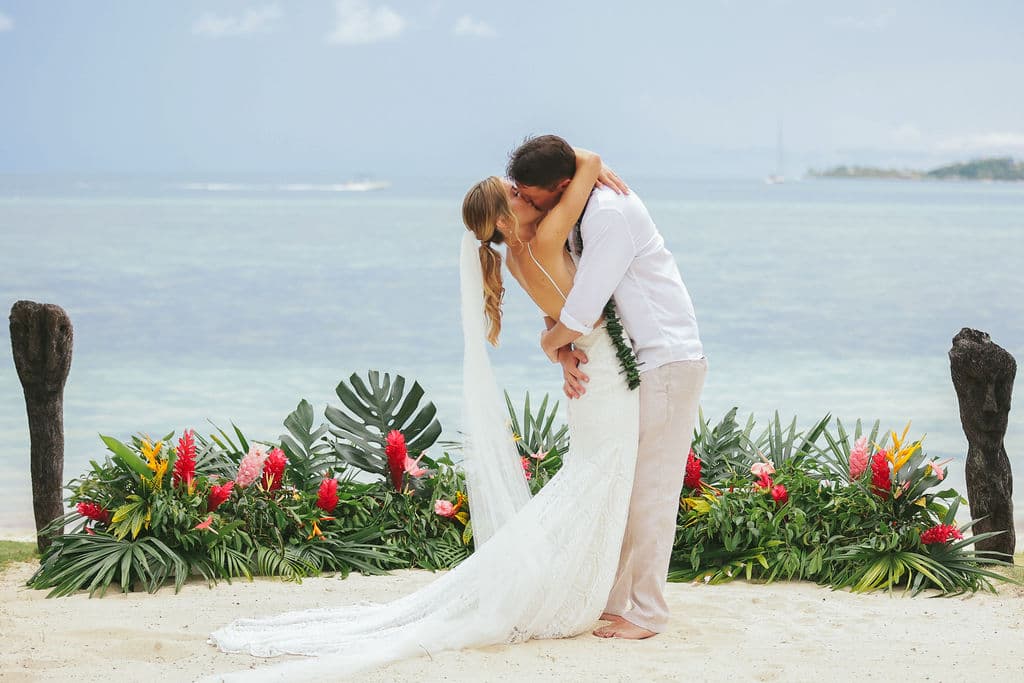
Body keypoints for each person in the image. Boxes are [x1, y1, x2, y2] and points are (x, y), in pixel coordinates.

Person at [205, 148, 642, 681]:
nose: (522, 191)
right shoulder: (547, 236)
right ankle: (572, 587)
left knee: (594, 472)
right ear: (506, 217)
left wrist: (558, 349)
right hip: (606, 374)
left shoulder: (514, 256)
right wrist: (587, 169)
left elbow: (557, 314)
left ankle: (581, 582)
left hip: (591, 370)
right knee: (598, 471)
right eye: (515, 193)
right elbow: (589, 163)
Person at [511, 134, 706, 640]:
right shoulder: (579, 209)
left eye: (533, 197)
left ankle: (647, 613)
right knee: (627, 482)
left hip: (666, 360)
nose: (527, 204)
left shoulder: (608, 214)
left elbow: (583, 310)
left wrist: (550, 346)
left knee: (652, 492)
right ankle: (617, 600)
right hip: (639, 364)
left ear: (560, 186)